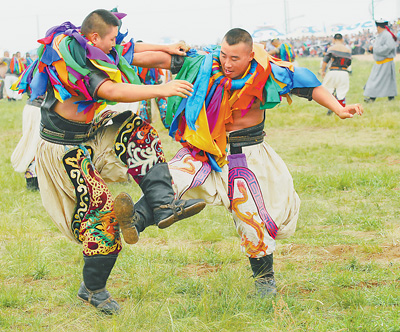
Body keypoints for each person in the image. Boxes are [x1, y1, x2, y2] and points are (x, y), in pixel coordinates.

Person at [117, 28, 363, 298]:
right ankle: (134, 221)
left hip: (247, 155)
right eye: (224, 55)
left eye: (235, 58)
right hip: (206, 150)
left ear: (249, 55)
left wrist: (339, 108)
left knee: (251, 220)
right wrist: (114, 55)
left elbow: (308, 84)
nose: (227, 63)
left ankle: (264, 282)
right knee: (172, 180)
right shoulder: (205, 65)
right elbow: (163, 60)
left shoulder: (270, 71)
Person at [12, 9, 206, 314]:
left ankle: (163, 204)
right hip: (63, 149)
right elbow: (111, 89)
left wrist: (167, 49)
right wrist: (161, 88)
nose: (116, 44)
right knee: (102, 216)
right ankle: (93, 289)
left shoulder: (94, 46)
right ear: (93, 38)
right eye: (111, 38)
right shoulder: (68, 60)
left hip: (90, 132)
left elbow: (128, 50)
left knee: (136, 129)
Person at [364, 19, 398, 102]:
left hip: (386, 62)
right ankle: (374, 97)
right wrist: (372, 49)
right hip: (380, 62)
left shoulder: (387, 35)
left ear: (378, 27)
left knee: (378, 81)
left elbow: (389, 47)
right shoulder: (380, 35)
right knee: (376, 80)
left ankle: (373, 98)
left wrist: (375, 49)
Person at [319, 33, 352, 115]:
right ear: (342, 39)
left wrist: (323, 71)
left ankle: (331, 107)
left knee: (328, 90)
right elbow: (349, 63)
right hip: (343, 73)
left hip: (333, 72)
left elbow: (325, 61)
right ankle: (342, 110)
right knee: (341, 92)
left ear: (334, 40)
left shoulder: (331, 48)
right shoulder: (347, 50)